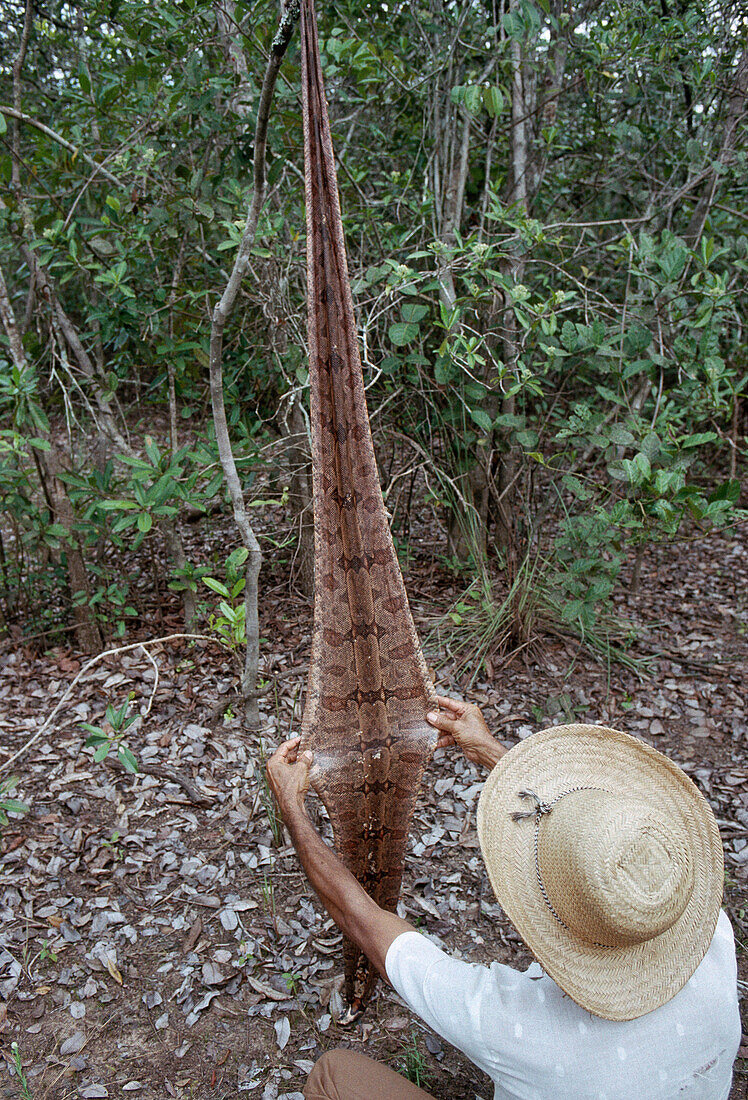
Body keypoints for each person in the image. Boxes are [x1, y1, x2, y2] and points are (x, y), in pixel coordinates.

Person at [267, 696, 742, 1100]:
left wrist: (293, 808)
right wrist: (493, 753)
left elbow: (365, 921)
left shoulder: (520, 1029)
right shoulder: (703, 929)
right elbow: (580, 840)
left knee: (334, 1076)